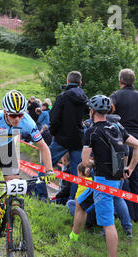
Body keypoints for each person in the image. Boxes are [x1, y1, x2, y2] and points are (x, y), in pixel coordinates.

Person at [70, 95, 138, 257]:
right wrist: (130, 168)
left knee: (108, 224)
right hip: (115, 180)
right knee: (81, 202)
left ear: (92, 111)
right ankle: (72, 238)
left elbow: (85, 162)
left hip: (102, 182)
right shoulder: (117, 127)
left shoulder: (92, 131)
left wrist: (91, 165)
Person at [0, 90, 56, 240]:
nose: (17, 119)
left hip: (7, 147)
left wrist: (49, 170)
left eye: (20, 115)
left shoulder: (27, 121)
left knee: (13, 184)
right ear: (5, 112)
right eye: (13, 115)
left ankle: (4, 211)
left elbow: (43, 146)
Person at [110, 68, 138, 223]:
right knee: (134, 179)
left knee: (116, 176)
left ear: (120, 80)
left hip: (118, 140)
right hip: (137, 141)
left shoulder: (115, 96)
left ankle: (118, 214)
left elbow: (107, 116)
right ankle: (135, 216)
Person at [41, 71, 88, 200]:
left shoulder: (63, 97)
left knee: (45, 164)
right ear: (80, 83)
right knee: (76, 172)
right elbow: (87, 113)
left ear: (67, 81)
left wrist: (54, 132)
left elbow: (54, 117)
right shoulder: (84, 98)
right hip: (78, 139)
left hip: (61, 138)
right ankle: (73, 201)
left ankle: (40, 195)